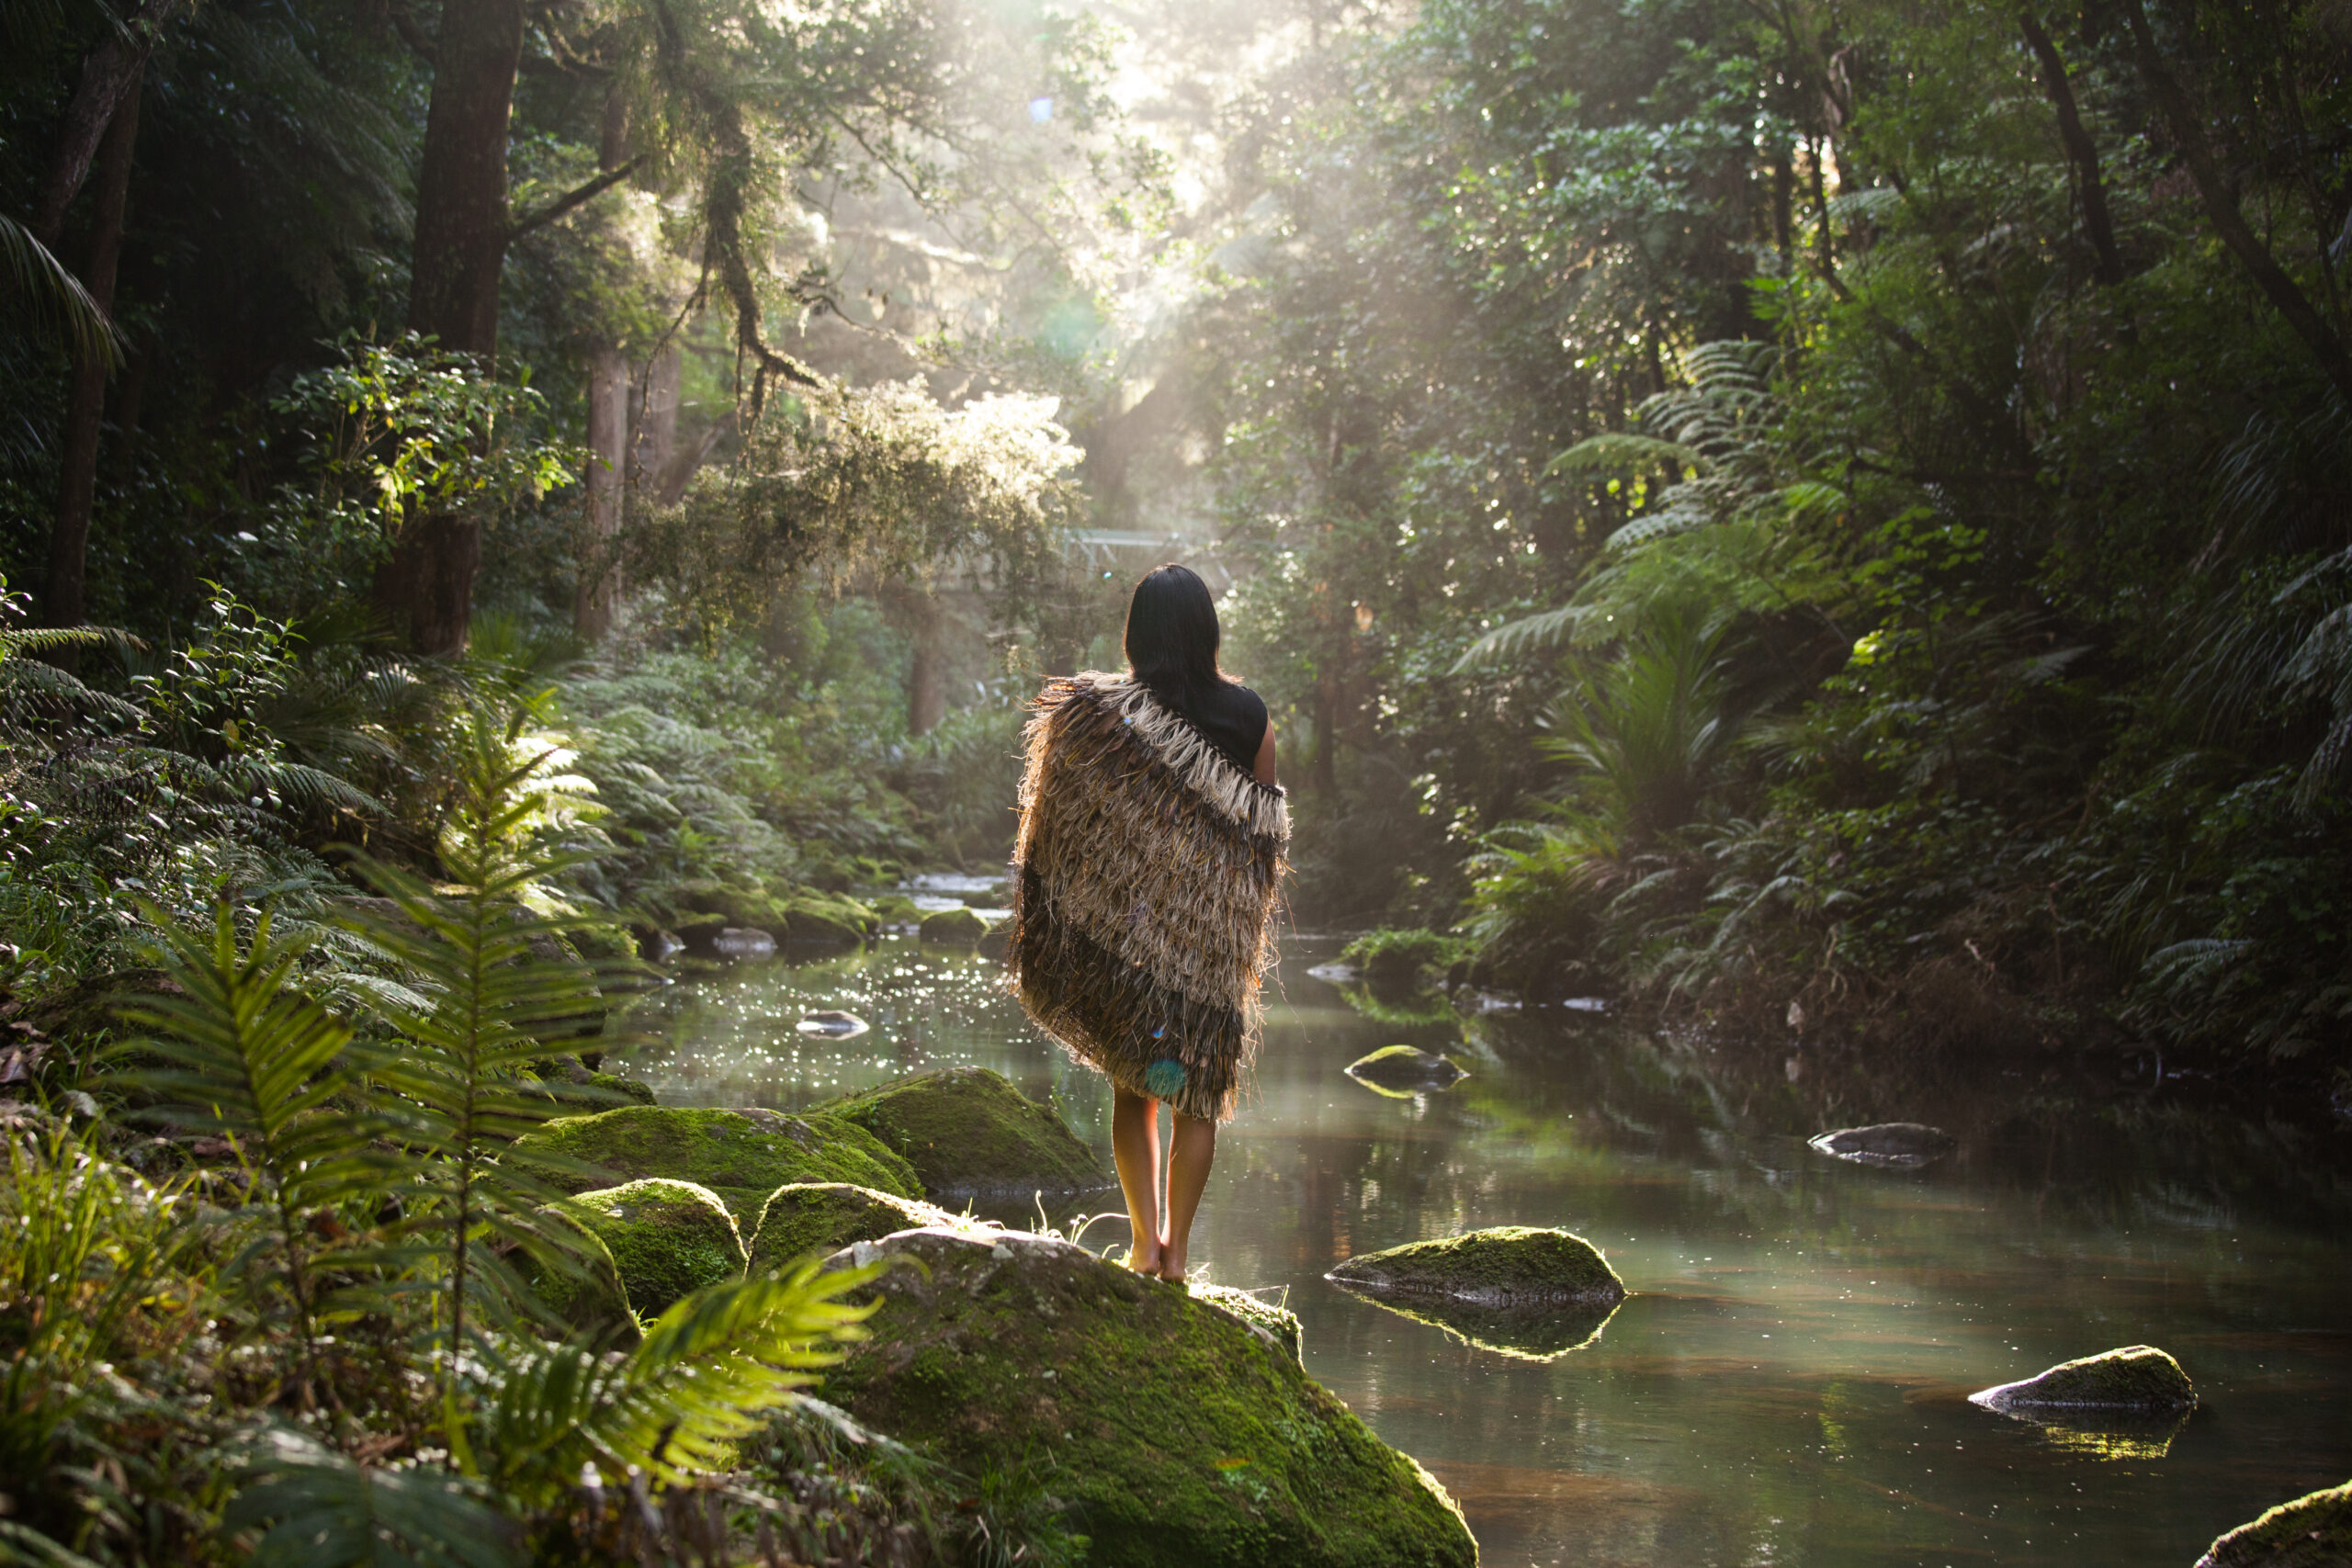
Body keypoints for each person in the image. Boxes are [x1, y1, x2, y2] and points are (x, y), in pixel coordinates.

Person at [1004, 564, 1286, 1283]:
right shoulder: (1250, 714)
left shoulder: (1106, 712)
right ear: (1207, 631)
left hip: (1132, 938)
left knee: (1136, 1088)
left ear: (1138, 634)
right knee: (1200, 1097)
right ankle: (1180, 1254)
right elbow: (1262, 840)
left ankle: (1142, 1245)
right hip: (1210, 945)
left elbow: (1063, 815)